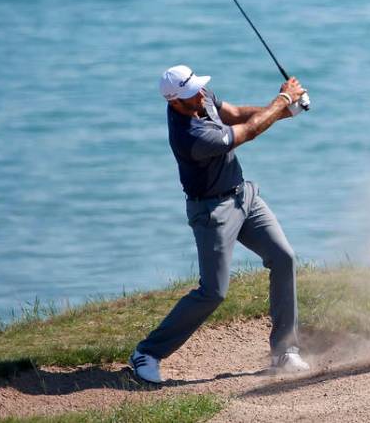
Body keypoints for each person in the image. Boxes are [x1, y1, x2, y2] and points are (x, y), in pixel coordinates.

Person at [129, 64, 310, 384]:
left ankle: (284, 350)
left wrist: (286, 110)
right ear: (174, 103)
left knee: (284, 258)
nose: (199, 94)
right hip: (213, 212)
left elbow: (237, 113)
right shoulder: (191, 136)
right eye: (190, 94)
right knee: (213, 292)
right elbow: (248, 132)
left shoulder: (200, 97)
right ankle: (148, 352)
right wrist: (283, 100)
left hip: (244, 196)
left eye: (197, 88)